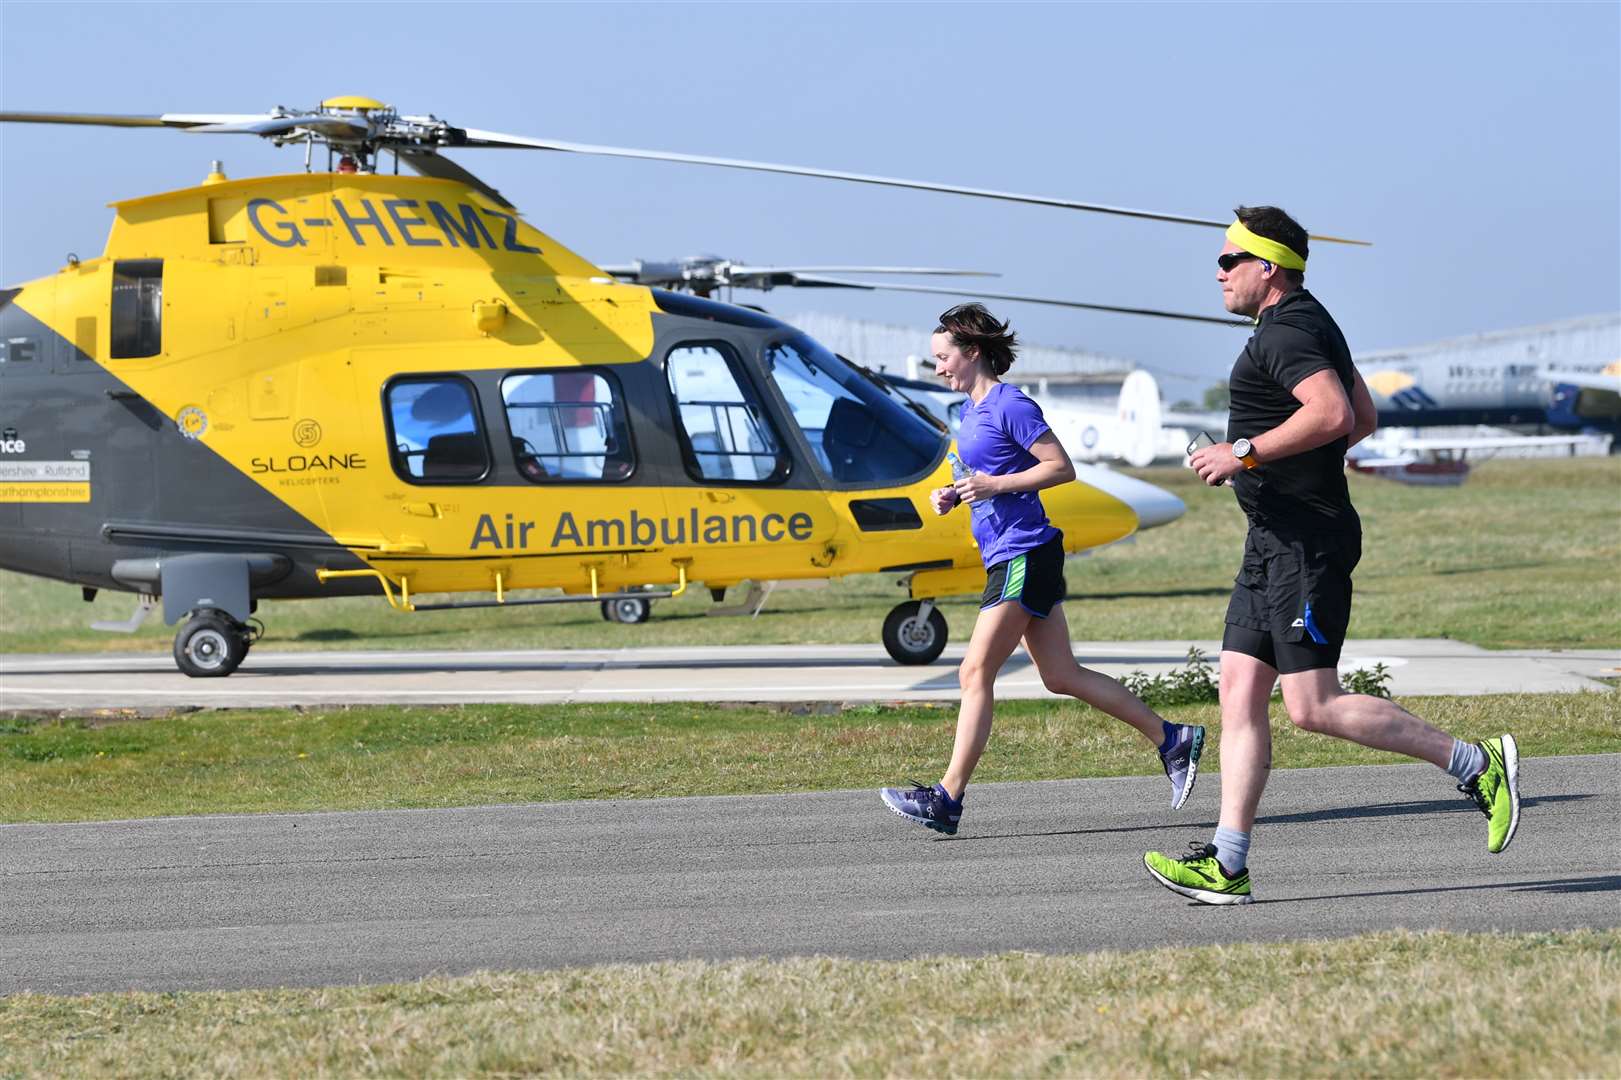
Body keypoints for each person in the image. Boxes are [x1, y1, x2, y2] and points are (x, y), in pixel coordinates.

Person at [1143, 206, 1520, 905]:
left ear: (1267, 268)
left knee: (1312, 707)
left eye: (1229, 260)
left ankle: (1474, 763)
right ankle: (1227, 863)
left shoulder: (1286, 332)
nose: (1218, 272)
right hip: (1274, 541)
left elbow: (1335, 416)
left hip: (1303, 548)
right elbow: (1364, 418)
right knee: (1236, 691)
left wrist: (1244, 453)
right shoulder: (1309, 321)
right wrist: (1287, 475)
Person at [880, 304, 1205, 835]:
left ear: (973, 352)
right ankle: (1173, 739)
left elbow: (1060, 467)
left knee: (973, 672)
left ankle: (947, 798)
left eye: (943, 357)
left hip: (1023, 552)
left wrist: (992, 487)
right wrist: (956, 494)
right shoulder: (969, 410)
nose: (937, 367)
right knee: (1059, 676)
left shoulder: (1011, 404)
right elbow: (985, 473)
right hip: (1013, 549)